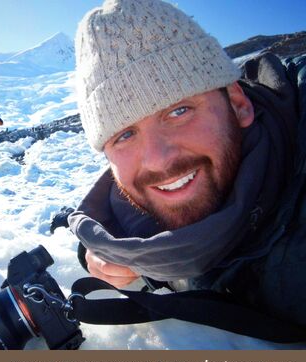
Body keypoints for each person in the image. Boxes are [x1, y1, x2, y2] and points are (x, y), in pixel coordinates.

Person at [68, 0, 306, 328]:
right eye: (124, 134)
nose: (158, 159)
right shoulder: (131, 225)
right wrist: (109, 256)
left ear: (238, 105)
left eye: (179, 111)